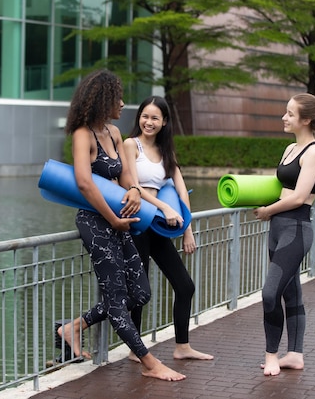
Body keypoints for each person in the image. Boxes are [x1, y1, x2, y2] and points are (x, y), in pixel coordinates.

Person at [55, 70, 186, 381]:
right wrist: (112, 218)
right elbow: (85, 184)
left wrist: (133, 190)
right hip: (96, 222)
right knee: (116, 300)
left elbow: (126, 176)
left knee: (139, 293)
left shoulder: (113, 133)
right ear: (103, 101)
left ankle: (72, 327)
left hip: (120, 219)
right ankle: (150, 364)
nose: (124, 104)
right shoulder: (82, 134)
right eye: (118, 98)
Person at [123, 96, 214, 362]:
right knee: (140, 290)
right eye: (144, 116)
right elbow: (132, 186)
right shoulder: (131, 145)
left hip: (160, 226)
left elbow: (182, 191)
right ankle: (134, 349)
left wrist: (187, 230)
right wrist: (163, 206)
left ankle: (182, 346)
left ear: (164, 122)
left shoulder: (166, 151)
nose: (148, 122)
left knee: (185, 286)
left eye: (154, 118)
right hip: (138, 221)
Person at [253, 93, 315, 376]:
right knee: (291, 292)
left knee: (270, 292)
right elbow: (280, 187)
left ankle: (272, 355)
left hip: (296, 230)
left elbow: (299, 197)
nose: (284, 118)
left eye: (289, 113)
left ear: (307, 120)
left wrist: (267, 211)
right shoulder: (289, 148)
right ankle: (295, 355)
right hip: (277, 229)